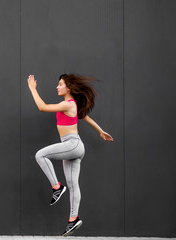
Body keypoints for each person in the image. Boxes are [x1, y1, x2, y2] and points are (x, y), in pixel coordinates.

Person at [27, 73, 113, 236]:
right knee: (73, 186)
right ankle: (73, 219)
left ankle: (57, 187)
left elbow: (42, 107)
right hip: (74, 147)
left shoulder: (68, 104)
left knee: (40, 155)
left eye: (60, 84)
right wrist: (101, 131)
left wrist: (32, 89)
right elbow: (86, 118)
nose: (57, 87)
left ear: (69, 87)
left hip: (72, 144)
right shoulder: (72, 105)